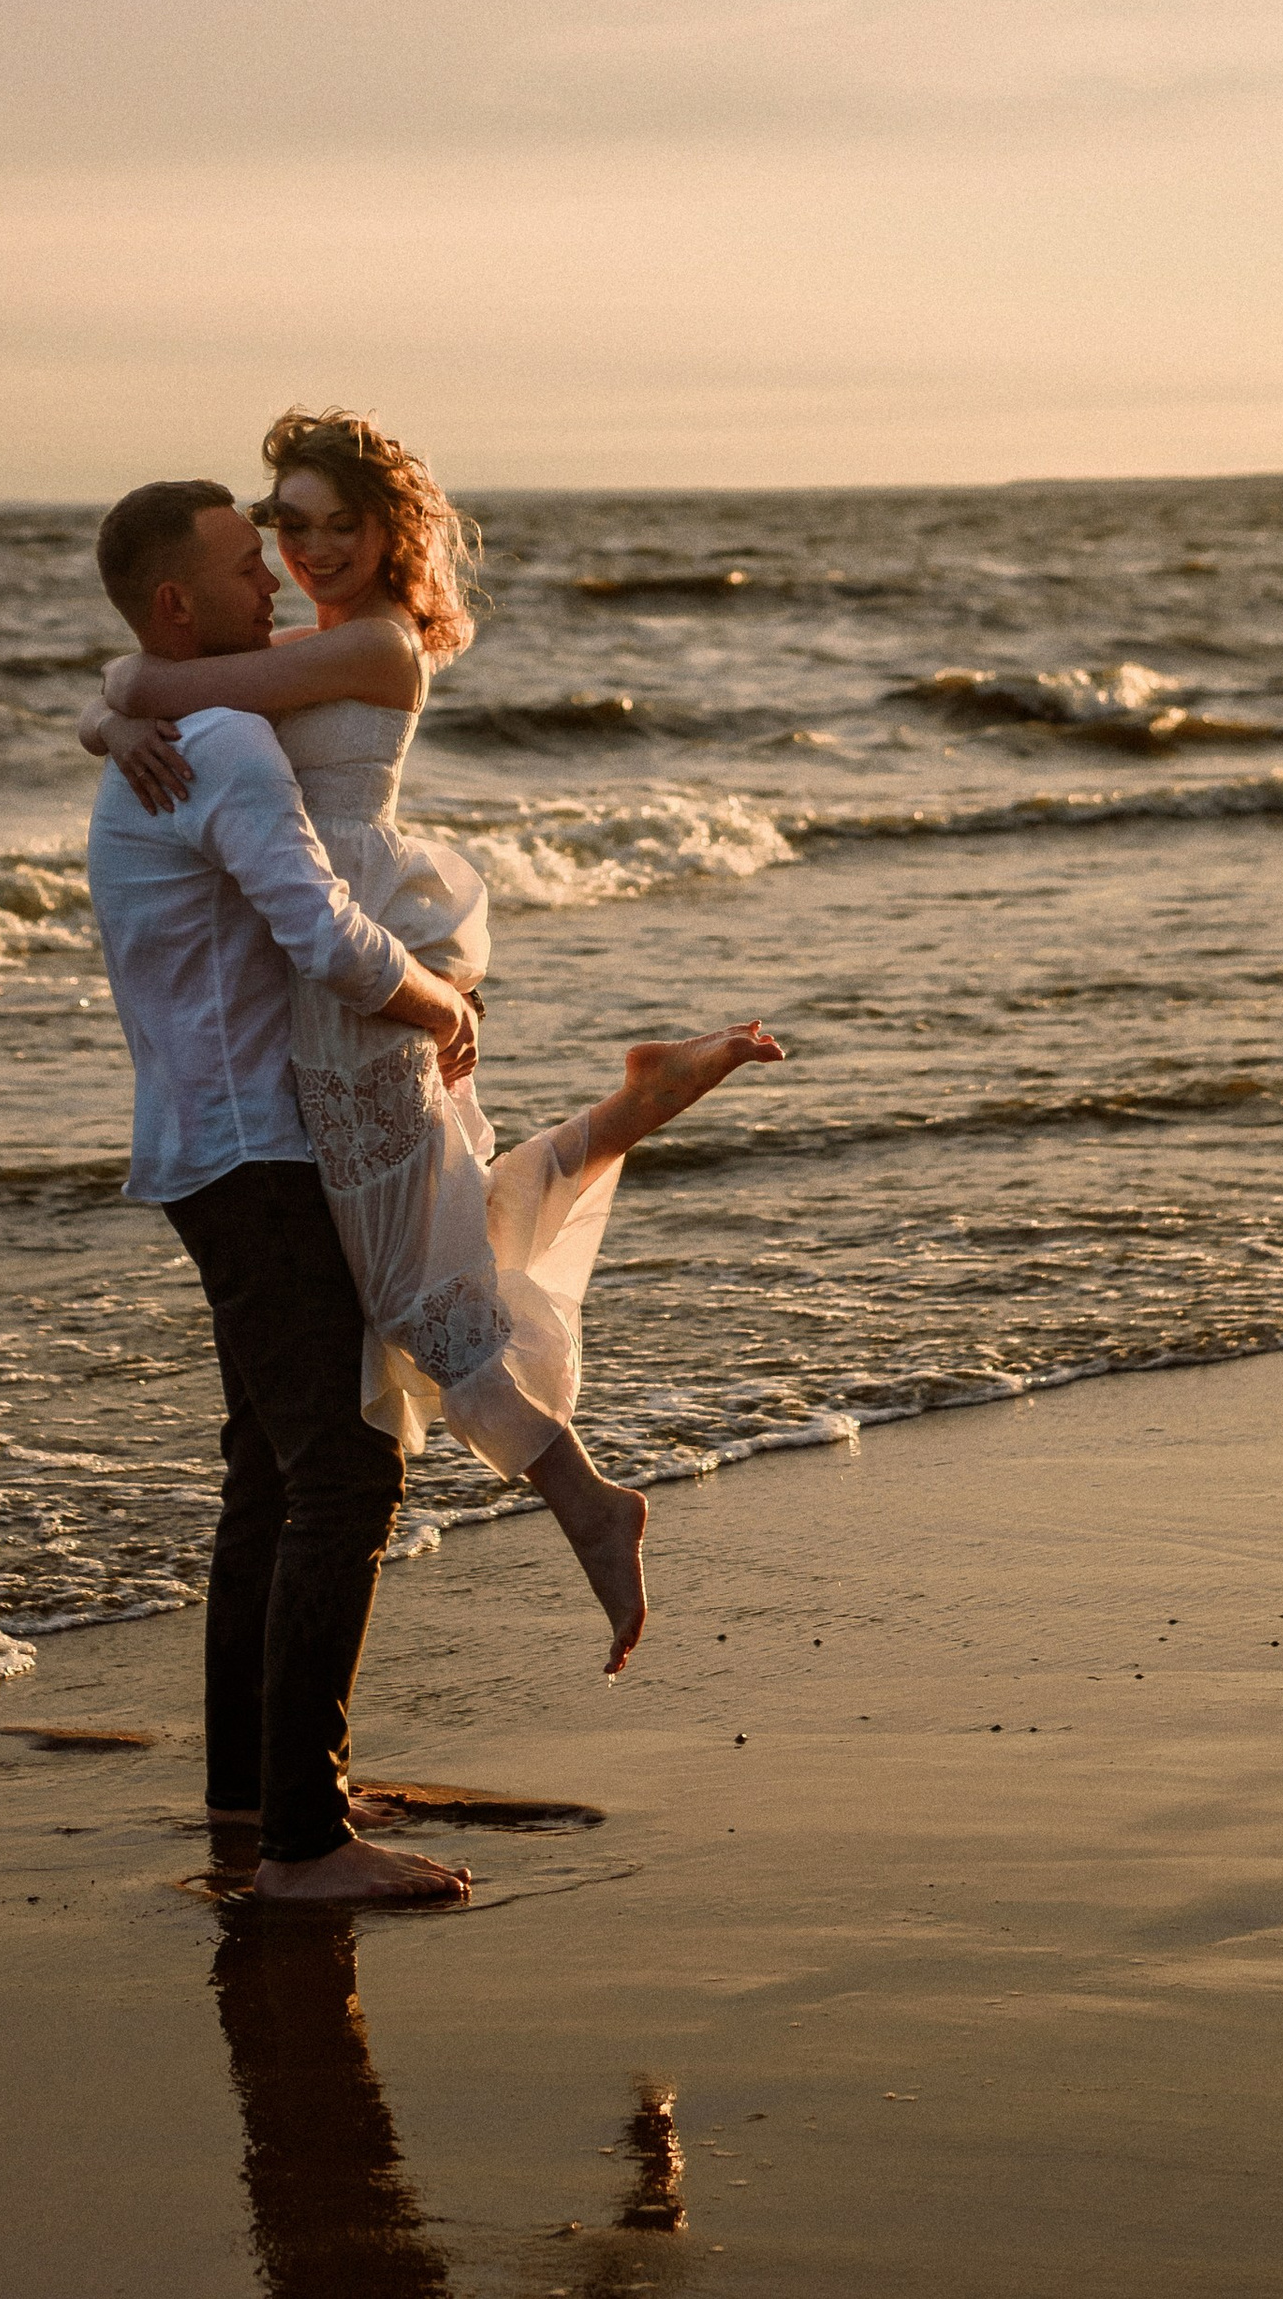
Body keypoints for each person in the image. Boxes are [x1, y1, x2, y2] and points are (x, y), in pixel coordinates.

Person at [84, 408, 781, 1679]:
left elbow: (175, 681)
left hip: (359, 963)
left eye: (337, 524)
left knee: (415, 1278)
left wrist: (124, 702)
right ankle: (623, 1116)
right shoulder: (301, 647)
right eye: (288, 526)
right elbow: (182, 685)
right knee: (423, 1244)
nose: (309, 548)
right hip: (339, 974)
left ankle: (586, 1498)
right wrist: (117, 714)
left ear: (389, 530)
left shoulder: (378, 644)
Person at [83, 472, 480, 1909]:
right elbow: (320, 932)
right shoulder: (227, 744)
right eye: (250, 564)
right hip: (252, 1150)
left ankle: (251, 1797)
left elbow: (136, 684)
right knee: (344, 1472)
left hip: (211, 1139)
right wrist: (440, 1002)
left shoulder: (177, 730)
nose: (276, 585)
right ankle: (307, 1842)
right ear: (182, 601)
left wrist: (120, 702)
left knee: (267, 1470)